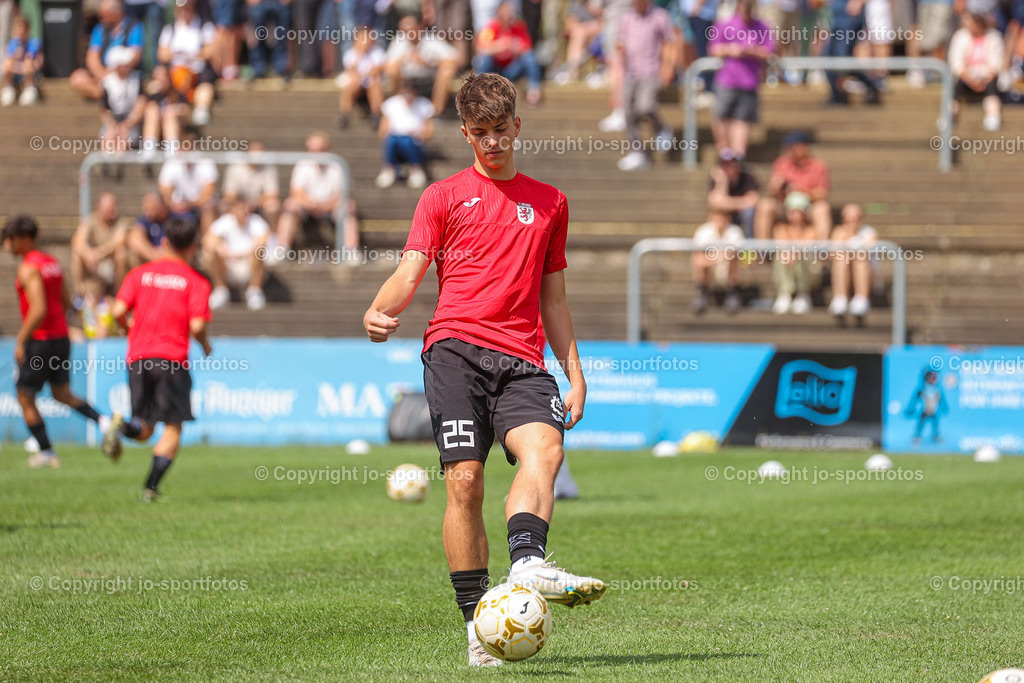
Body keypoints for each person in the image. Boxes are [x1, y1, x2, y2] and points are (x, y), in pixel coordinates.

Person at [362, 73, 606, 669]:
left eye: (501, 131)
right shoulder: (441, 196)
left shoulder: (551, 202)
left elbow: (555, 300)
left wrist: (575, 374)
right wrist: (378, 307)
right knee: (464, 481)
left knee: (545, 449)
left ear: (517, 126)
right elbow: (411, 270)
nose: (492, 143)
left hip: (522, 359)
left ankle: (527, 564)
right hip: (455, 349)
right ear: (465, 133)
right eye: (480, 134)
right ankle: (477, 624)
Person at [103, 216, 213, 501]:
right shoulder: (196, 281)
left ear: (164, 242)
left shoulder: (139, 274)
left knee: (144, 427)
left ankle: (122, 426)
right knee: (173, 427)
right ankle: (150, 488)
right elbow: (198, 326)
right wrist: (206, 345)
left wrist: (128, 331)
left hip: (138, 358)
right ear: (193, 246)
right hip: (172, 360)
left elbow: (116, 311)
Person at [3, 216, 114, 469]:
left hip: (40, 340)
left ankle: (46, 452)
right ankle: (103, 421)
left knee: (24, 397)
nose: (7, 245)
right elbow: (66, 302)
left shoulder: (28, 267)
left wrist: (21, 340)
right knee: (62, 393)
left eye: (11, 239)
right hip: (60, 338)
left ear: (24, 239)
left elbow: (38, 308)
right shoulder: (52, 263)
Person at [614, 0, 677, 172]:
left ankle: (662, 128)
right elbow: (620, 45)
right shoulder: (626, 18)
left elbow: (670, 42)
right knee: (628, 112)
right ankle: (637, 151)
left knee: (645, 106)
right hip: (630, 73)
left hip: (650, 72)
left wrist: (668, 66)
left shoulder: (660, 16)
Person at [708, 0, 774, 158]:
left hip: (749, 81)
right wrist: (729, 49)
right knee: (721, 116)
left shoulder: (762, 26)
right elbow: (713, 48)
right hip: (727, 79)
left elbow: (770, 51)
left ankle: (738, 156)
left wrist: (752, 50)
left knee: (742, 119)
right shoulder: (725, 24)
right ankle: (724, 153)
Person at [277, 132, 360, 254]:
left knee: (348, 207)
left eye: (319, 150)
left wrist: (326, 205)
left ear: (327, 149)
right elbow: (296, 193)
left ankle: (351, 250)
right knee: (290, 206)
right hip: (307, 208)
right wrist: (312, 205)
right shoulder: (302, 165)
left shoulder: (337, 165)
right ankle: (281, 249)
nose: (316, 154)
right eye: (312, 150)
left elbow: (343, 194)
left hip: (331, 207)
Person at [756, 131, 831, 240]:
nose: (790, 149)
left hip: (808, 205)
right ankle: (761, 251)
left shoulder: (818, 165)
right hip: (785, 204)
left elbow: (823, 193)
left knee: (822, 209)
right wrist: (775, 188)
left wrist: (800, 190)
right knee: (764, 205)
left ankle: (822, 252)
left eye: (793, 146)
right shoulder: (781, 163)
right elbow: (772, 191)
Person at [384, 14, 460, 114]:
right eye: (403, 28)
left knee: (447, 71)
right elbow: (387, 66)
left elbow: (455, 59)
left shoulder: (431, 40)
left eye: (410, 27)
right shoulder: (399, 41)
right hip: (406, 81)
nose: (406, 31)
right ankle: (398, 110)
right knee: (392, 71)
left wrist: (428, 62)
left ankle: (436, 111)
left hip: (430, 80)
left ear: (419, 27)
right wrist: (404, 60)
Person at [158, 0, 217, 126]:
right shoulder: (171, 28)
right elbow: (161, 53)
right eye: (181, 9)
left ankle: (201, 109)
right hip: (176, 72)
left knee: (205, 84)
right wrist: (176, 54)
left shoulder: (204, 26)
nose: (183, 12)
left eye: (186, 9)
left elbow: (211, 50)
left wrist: (194, 55)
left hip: (197, 71)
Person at [473, 0, 544, 106]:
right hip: (495, 69)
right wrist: (498, 46)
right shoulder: (492, 27)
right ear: (499, 12)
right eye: (506, 11)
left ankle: (533, 90)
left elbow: (527, 48)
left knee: (529, 57)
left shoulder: (518, 27)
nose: (509, 13)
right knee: (484, 59)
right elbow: (480, 48)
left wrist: (515, 48)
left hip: (512, 69)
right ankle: (479, 89)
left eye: (511, 11)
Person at [204, 199, 271, 310]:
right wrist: (223, 250)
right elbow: (208, 239)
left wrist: (245, 254)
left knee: (259, 250)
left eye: (245, 208)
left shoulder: (256, 221)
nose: (243, 212)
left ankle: (254, 289)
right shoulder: (225, 221)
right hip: (228, 266)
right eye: (240, 208)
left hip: (250, 266)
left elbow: (263, 239)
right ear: (232, 210)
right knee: (211, 250)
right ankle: (221, 289)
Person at [70, 0, 143, 100]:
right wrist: (103, 75)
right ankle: (104, 95)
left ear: (117, 12)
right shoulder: (100, 29)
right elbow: (92, 57)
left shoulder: (133, 27)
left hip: (123, 74)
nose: (102, 18)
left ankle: (108, 97)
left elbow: (136, 55)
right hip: (103, 74)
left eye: (105, 14)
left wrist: (117, 71)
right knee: (77, 78)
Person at [376, 80, 436, 189]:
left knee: (407, 140)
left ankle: (416, 169)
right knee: (392, 139)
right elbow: (383, 130)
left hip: (415, 143)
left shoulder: (424, 105)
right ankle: (389, 169)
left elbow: (429, 132)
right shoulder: (391, 104)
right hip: (395, 141)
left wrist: (417, 134)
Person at [949, 12, 1004, 130]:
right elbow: (956, 62)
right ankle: (950, 118)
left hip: (987, 77)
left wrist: (984, 79)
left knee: (992, 88)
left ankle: (993, 117)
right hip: (966, 76)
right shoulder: (960, 36)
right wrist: (969, 78)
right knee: (955, 90)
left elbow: (996, 63)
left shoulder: (994, 37)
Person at [823, 0, 882, 106]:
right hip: (837, 18)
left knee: (843, 59)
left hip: (850, 18)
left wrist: (858, 2)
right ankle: (837, 94)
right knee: (827, 57)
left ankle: (871, 87)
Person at [158, 129, 220, 229]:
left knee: (208, 207)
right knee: (157, 205)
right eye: (184, 146)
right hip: (177, 205)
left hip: (199, 206)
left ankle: (207, 242)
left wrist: (189, 205)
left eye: (188, 147)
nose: (185, 150)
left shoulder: (206, 163)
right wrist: (172, 204)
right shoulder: (172, 162)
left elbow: (208, 193)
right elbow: (164, 189)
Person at [71, 192, 129, 294]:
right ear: (100, 208)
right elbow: (78, 240)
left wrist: (97, 254)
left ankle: (119, 292)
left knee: (121, 254)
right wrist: (87, 254)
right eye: (110, 207)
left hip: (110, 261)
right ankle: (79, 292)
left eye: (114, 206)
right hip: (94, 263)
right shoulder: (91, 219)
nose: (114, 210)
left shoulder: (120, 222)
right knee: (76, 254)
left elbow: (119, 241)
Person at [691, 208, 745, 314]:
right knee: (698, 259)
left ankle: (733, 292)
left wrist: (717, 257)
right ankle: (703, 292)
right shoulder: (704, 231)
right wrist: (718, 258)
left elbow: (736, 254)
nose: (720, 221)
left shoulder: (735, 232)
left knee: (733, 259)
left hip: (729, 266)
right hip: (713, 266)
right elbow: (698, 255)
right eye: (718, 218)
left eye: (723, 218)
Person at [829, 202, 877, 320]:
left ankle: (861, 298)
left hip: (867, 277)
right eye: (848, 219)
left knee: (860, 258)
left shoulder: (869, 233)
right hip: (845, 274)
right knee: (841, 258)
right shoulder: (838, 231)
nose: (852, 223)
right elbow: (832, 254)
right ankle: (840, 297)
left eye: (856, 219)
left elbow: (868, 250)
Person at [771, 191, 817, 314]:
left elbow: (807, 246)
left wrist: (794, 253)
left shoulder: (812, 229)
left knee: (803, 255)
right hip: (788, 263)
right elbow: (781, 245)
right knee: (782, 255)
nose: (794, 215)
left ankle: (803, 294)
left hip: (808, 270)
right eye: (791, 211)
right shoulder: (780, 228)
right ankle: (784, 294)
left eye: (798, 211)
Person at [99, 46, 147, 156]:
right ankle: (107, 166)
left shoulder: (138, 79)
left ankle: (118, 165)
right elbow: (104, 110)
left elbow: (141, 104)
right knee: (108, 137)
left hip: (131, 122)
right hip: (114, 120)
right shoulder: (107, 83)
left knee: (124, 139)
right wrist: (112, 125)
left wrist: (127, 124)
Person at [337, 25, 385, 129]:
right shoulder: (351, 53)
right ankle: (344, 114)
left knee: (374, 83)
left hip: (371, 82)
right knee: (350, 85)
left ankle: (376, 114)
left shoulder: (377, 52)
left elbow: (377, 70)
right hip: (357, 84)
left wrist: (364, 76)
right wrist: (360, 53)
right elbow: (351, 70)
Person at [222, 141, 281, 224]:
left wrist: (253, 204)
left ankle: (273, 235)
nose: (258, 154)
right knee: (224, 205)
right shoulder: (235, 168)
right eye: (255, 150)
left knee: (273, 206)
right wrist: (240, 205)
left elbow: (272, 195)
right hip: (239, 203)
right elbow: (229, 195)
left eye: (261, 150)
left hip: (260, 206)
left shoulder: (269, 168)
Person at [708, 148, 759, 237]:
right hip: (725, 219)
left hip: (742, 217)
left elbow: (754, 200)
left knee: (749, 213)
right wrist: (722, 183)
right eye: (724, 165)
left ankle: (751, 248)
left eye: (731, 164)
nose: (727, 168)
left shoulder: (747, 177)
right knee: (718, 217)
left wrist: (726, 203)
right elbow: (715, 204)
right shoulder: (718, 178)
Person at [1, 14, 42, 106]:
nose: (20, 32)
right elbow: (10, 60)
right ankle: (8, 89)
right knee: (7, 63)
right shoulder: (13, 43)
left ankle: (30, 88)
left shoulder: (34, 42)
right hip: (17, 72)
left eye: (22, 29)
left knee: (28, 63)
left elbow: (31, 60)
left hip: (30, 73)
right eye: (18, 29)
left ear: (27, 30)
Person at [247, 0, 291, 79]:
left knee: (282, 35)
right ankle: (258, 69)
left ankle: (281, 67)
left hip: (280, 3)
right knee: (256, 35)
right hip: (259, 3)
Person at [128, 192, 173, 265]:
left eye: (150, 204)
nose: (145, 207)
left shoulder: (173, 218)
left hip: (169, 258)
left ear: (161, 206)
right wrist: (153, 255)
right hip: (151, 257)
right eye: (145, 204)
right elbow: (134, 238)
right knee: (132, 254)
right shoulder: (146, 219)